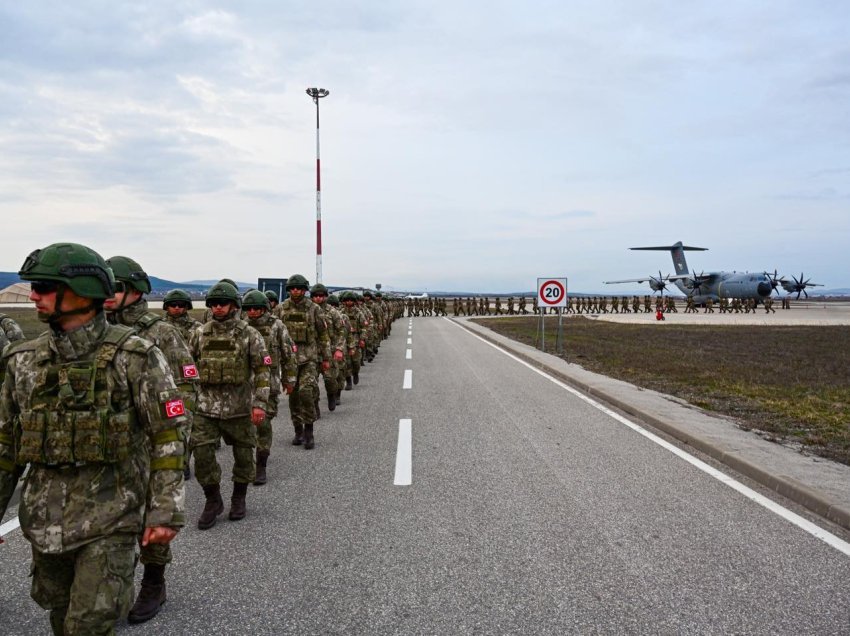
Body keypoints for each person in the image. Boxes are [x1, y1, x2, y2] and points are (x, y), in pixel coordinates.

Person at [0, 242, 186, 635]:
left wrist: (164, 510)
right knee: (59, 615)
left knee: (89, 624)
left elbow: (168, 435)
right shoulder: (22, 362)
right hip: (44, 522)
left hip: (112, 518)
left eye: (44, 287)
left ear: (82, 293)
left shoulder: (135, 357)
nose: (33, 295)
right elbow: (5, 448)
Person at [103, 256, 198, 623]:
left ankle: (153, 582)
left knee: (151, 517)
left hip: (147, 444)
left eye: (117, 288)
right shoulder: (95, 327)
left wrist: (176, 432)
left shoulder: (160, 332)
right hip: (108, 445)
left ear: (135, 291)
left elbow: (186, 382)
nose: (108, 295)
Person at [189, 282, 271, 528]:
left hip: (240, 407)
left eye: (222, 303)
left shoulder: (249, 334)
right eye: (213, 304)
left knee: (244, 455)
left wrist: (260, 403)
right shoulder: (200, 334)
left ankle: (239, 497)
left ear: (234, 305)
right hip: (206, 407)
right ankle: (213, 499)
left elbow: (262, 370)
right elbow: (188, 368)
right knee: (202, 454)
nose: (218, 308)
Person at [241, 290, 296, 485]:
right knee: (245, 428)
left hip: (269, 384)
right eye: (249, 308)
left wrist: (289, 380)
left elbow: (288, 354)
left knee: (263, 423)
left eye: (257, 308)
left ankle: (261, 464)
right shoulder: (241, 327)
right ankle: (246, 464)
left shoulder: (276, 326)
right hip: (242, 385)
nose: (253, 312)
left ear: (265, 308)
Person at [273, 275, 330, 449]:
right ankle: (298, 430)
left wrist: (326, 357)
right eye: (292, 288)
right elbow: (273, 334)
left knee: (306, 392)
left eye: (299, 288)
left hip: (309, 359)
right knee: (294, 396)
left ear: (305, 290)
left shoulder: (314, 309)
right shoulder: (281, 309)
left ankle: (309, 430)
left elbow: (323, 334)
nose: (295, 291)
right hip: (289, 362)